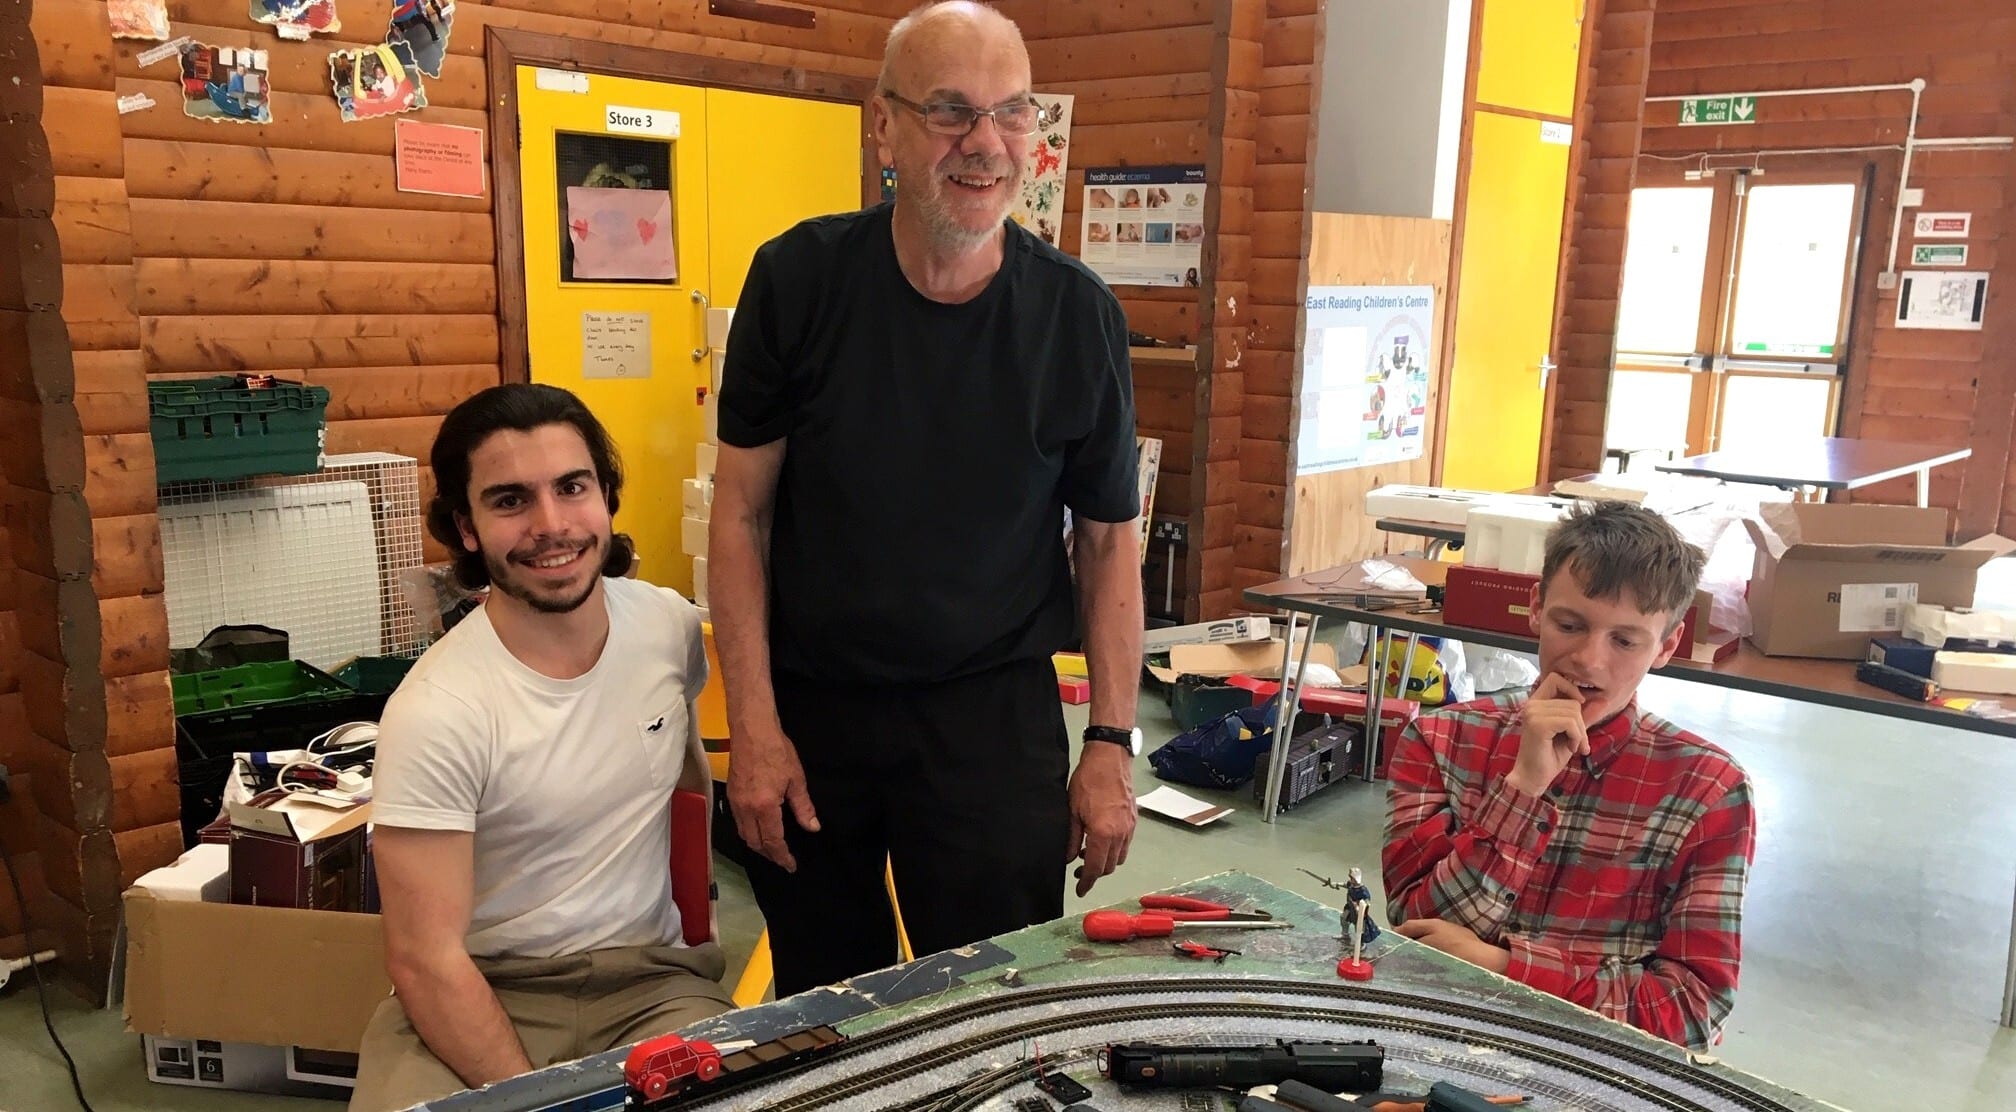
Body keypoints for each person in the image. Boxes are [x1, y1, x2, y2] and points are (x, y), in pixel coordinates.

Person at [711, 0, 1145, 997]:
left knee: (991, 1000)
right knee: (827, 1007)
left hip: (990, 718)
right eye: (950, 111)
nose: (985, 143)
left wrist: (1112, 745)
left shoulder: (1078, 316)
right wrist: (754, 730)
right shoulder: (799, 282)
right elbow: (740, 514)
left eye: (1012, 113)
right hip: (816, 713)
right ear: (884, 126)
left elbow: (1109, 542)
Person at [351, 385, 733, 1111]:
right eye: (510, 501)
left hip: (650, 985)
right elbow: (425, 960)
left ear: (607, 496)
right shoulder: (436, 711)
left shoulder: (668, 631)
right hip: (484, 986)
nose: (551, 525)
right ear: (466, 528)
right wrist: (536, 1100)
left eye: (572, 487)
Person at [1382, 501, 1754, 1050]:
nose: (1587, 660)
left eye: (1625, 640)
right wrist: (1524, 788)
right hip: (1440, 1037)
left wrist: (1505, 967)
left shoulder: (1709, 788)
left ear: (1668, 645)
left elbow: (1695, 1008)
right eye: (1569, 625)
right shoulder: (1439, 740)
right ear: (1535, 608)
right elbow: (1421, 934)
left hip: (1593, 1064)